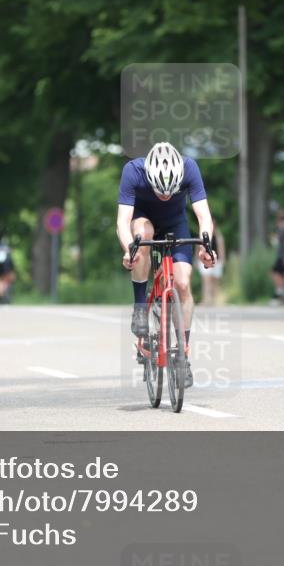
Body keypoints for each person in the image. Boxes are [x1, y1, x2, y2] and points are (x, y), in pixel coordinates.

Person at [116, 142, 216, 388]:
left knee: (182, 284)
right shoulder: (133, 171)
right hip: (143, 222)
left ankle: (182, 355)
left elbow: (203, 215)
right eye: (159, 191)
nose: (165, 196)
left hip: (175, 224)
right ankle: (141, 306)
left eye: (171, 192)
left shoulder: (190, 168)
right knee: (143, 236)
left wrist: (206, 246)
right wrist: (129, 249)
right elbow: (122, 221)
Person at [197, 225, 226, 306]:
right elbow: (198, 248)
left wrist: (222, 261)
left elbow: (221, 248)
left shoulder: (218, 236)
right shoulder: (203, 235)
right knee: (206, 281)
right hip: (205, 260)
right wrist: (197, 259)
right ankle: (206, 299)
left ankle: (214, 299)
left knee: (215, 282)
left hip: (217, 261)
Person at [0, 238, 15, 304]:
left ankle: (4, 295)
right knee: (0, 282)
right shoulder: (6, 249)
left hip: (4, 268)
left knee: (2, 281)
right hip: (3, 268)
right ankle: (2, 296)